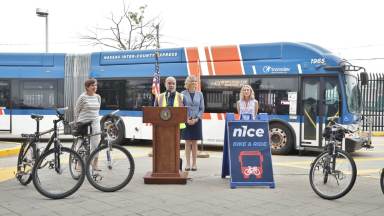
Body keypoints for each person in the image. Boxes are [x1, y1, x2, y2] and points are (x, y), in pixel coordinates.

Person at [74, 78, 101, 170]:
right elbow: (76, 110)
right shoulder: (82, 97)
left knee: (96, 144)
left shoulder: (98, 97)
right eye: (92, 85)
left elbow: (97, 110)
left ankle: (95, 163)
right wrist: (78, 123)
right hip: (84, 122)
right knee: (81, 142)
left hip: (95, 123)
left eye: (95, 85)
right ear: (87, 87)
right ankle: (79, 163)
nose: (95, 87)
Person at [181, 75, 204, 171]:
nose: (194, 82)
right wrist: (187, 119)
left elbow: (202, 108)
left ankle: (194, 164)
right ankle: (187, 164)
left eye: (195, 81)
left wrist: (196, 118)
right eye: (192, 81)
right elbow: (181, 108)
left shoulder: (200, 94)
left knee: (194, 143)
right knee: (187, 143)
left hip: (197, 121)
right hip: (186, 120)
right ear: (188, 83)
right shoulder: (182, 93)